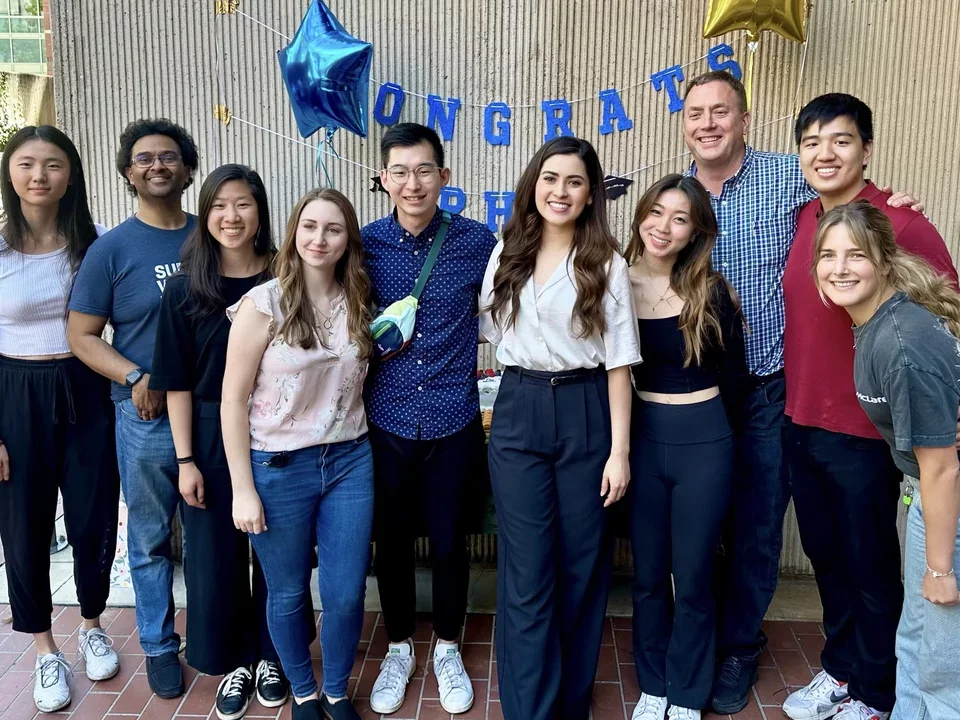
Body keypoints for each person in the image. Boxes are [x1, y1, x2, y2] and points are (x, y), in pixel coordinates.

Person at [679, 71, 922, 713]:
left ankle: (749, 651)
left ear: (745, 119)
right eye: (696, 112)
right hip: (710, 397)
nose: (708, 124)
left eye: (721, 112)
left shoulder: (796, 181)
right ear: (684, 122)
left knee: (766, 530)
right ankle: (818, 666)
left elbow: (908, 269)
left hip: (776, 393)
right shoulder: (677, 197)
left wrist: (900, 207)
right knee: (728, 532)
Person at [781, 94, 957, 720]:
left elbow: (946, 318)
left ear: (867, 150)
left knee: (873, 570)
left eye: (842, 140)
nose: (825, 154)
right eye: (812, 142)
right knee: (829, 560)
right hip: (801, 420)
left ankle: (877, 693)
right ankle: (841, 669)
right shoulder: (805, 218)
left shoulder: (901, 224)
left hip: (868, 433)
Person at [480, 136, 642, 720]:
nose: (561, 191)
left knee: (580, 562)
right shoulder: (507, 253)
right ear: (534, 184)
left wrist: (618, 452)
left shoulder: (607, 263)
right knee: (527, 569)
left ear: (591, 193)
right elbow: (493, 336)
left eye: (574, 182)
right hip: (520, 406)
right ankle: (529, 707)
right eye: (551, 178)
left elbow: (620, 363)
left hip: (586, 410)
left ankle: (571, 699)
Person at [150, 164, 309, 719]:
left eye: (243, 204)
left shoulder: (289, 278)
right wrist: (186, 460)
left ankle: (272, 655)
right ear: (206, 213)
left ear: (261, 211)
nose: (231, 217)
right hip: (211, 433)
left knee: (276, 554)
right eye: (220, 205)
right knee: (215, 557)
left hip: (277, 432)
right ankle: (234, 663)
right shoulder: (186, 289)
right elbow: (175, 383)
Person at [221, 188, 373, 720]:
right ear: (293, 233)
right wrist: (243, 487)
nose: (319, 238)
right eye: (309, 226)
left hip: (350, 460)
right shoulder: (264, 304)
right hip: (278, 467)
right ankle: (304, 693)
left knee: (347, 593)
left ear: (346, 239)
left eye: (333, 229)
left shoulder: (360, 298)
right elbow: (232, 400)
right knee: (286, 593)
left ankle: (335, 690)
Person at [362, 123, 496, 716]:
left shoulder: (477, 241)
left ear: (445, 177)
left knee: (449, 542)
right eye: (400, 171)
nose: (413, 183)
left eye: (425, 171)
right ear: (383, 179)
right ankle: (397, 646)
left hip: (453, 419)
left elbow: (506, 315)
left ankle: (445, 645)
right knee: (389, 542)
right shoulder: (360, 246)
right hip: (384, 419)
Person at [67, 118, 199, 699]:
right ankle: (159, 645)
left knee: (212, 534)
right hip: (144, 417)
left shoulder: (212, 235)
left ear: (189, 169)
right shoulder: (111, 249)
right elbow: (82, 335)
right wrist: (135, 373)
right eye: (144, 159)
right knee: (149, 539)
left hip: (215, 412)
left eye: (168, 157)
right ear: (128, 173)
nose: (157, 166)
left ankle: (219, 635)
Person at [813, 200, 960, 720]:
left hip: (947, 502)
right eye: (828, 256)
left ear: (884, 260)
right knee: (917, 638)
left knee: (943, 660)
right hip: (928, 496)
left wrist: (941, 569)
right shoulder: (877, 324)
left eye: (857, 255)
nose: (840, 268)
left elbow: (943, 466)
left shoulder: (901, 341)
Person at [0, 126, 119, 713]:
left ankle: (92, 623)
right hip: (13, 391)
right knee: (23, 523)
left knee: (94, 512)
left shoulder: (93, 245)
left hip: (85, 386)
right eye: (27, 164)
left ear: (71, 174)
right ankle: (46, 648)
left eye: (52, 164)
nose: (39, 175)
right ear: (10, 173)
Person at [624, 174, 747, 720]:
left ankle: (689, 692)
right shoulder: (614, 284)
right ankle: (654, 685)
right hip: (643, 442)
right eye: (656, 212)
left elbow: (736, 377)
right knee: (648, 575)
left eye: (680, 218)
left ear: (696, 230)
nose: (664, 227)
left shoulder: (710, 289)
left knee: (693, 574)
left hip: (705, 442)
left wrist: (725, 444)